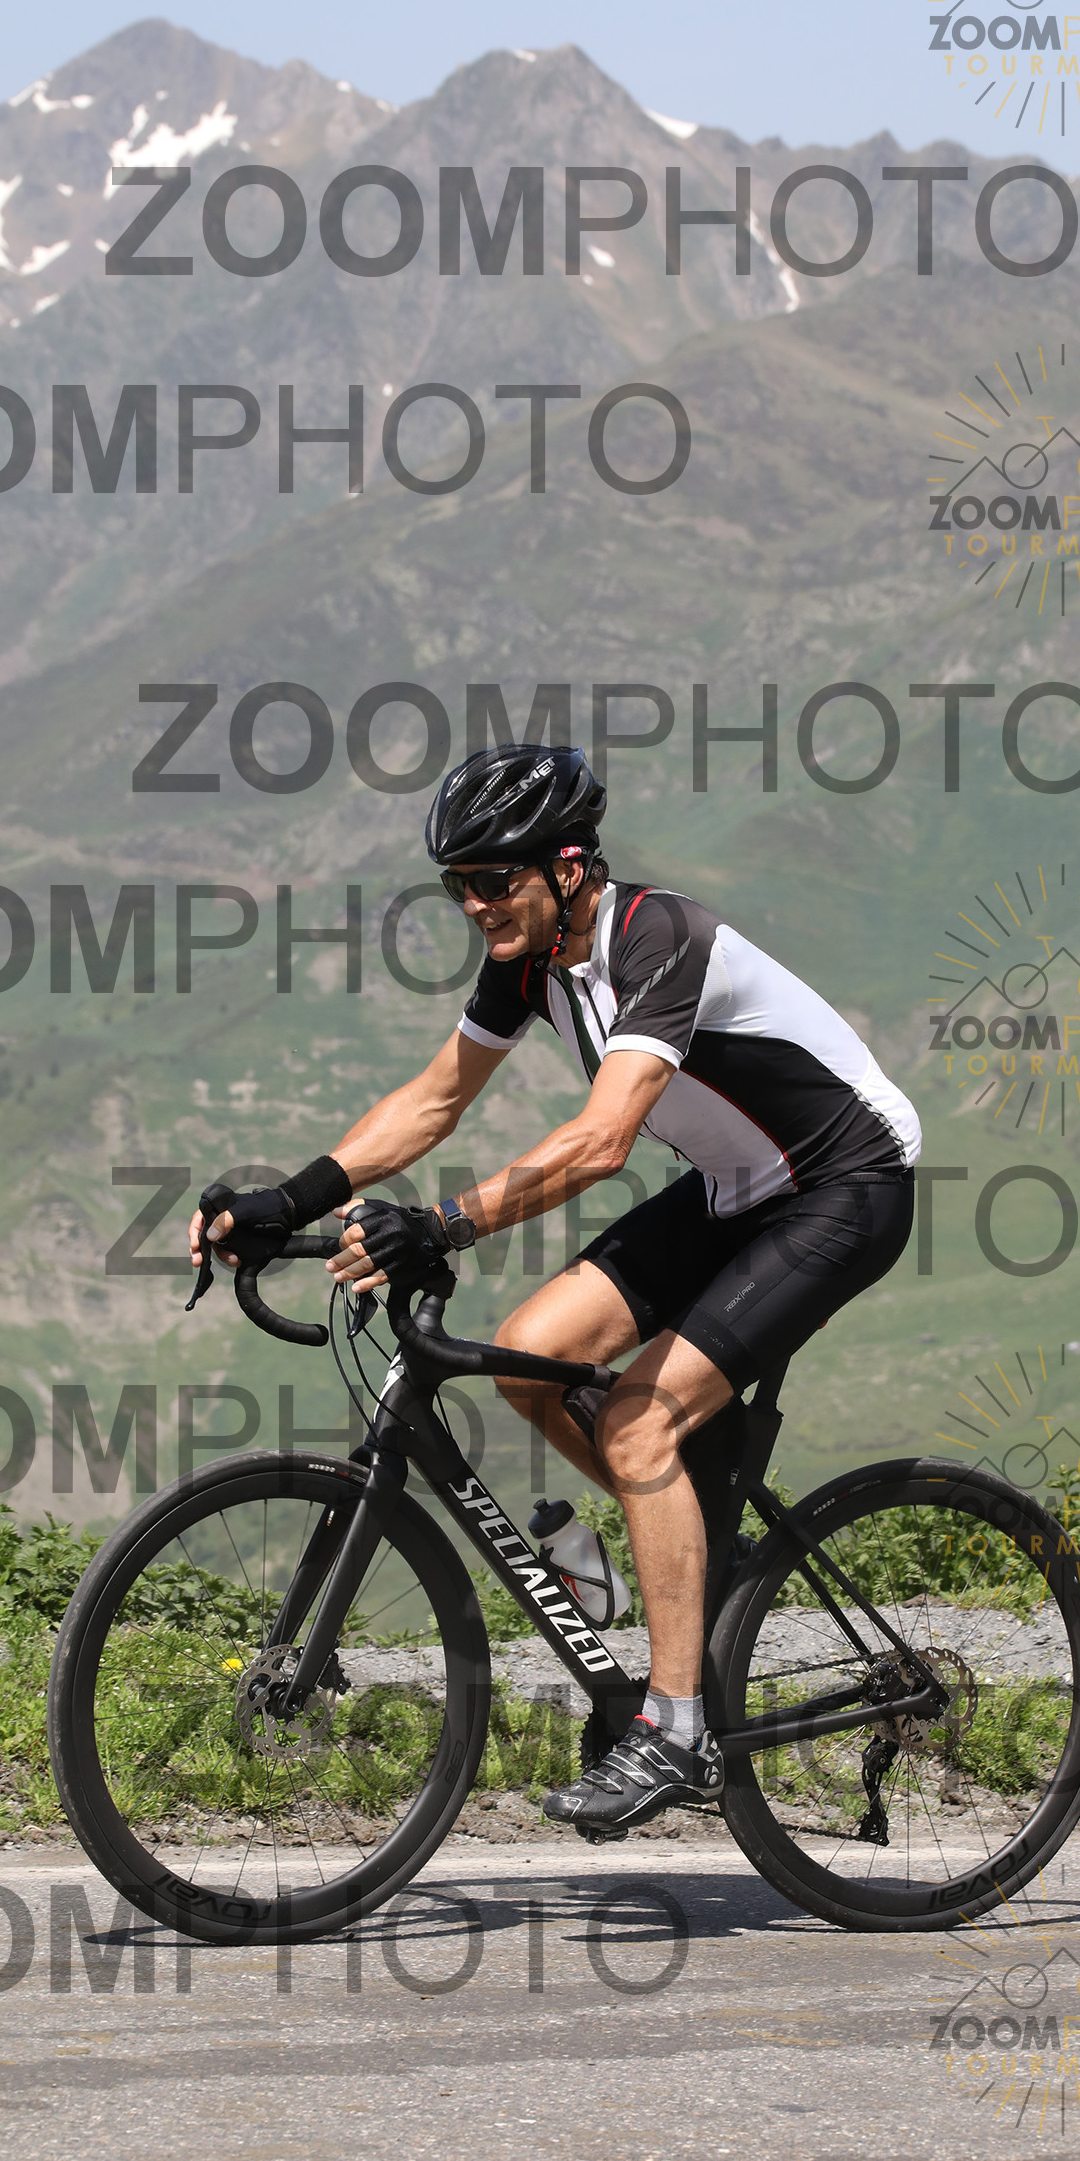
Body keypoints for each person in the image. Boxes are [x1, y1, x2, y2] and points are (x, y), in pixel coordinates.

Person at [190, 744, 920, 1835]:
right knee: (534, 1357)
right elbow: (435, 1099)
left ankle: (675, 1731)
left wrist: (440, 1223)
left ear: (570, 868)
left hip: (844, 1188)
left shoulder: (661, 939)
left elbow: (601, 1141)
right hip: (737, 1188)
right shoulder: (529, 963)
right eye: (459, 884)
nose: (476, 904)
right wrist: (289, 1199)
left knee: (637, 1424)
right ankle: (697, 1556)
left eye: (496, 880)